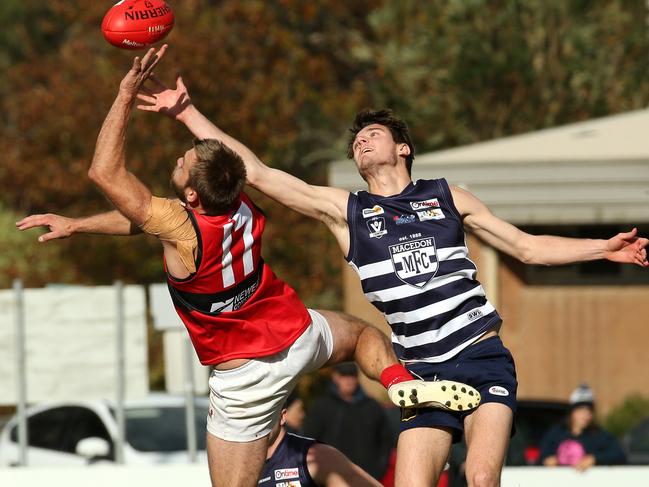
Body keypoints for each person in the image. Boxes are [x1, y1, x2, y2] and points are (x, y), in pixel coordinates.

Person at [115, 72, 648, 487]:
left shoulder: (448, 197)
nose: (363, 141)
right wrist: (188, 114)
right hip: (418, 372)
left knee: (481, 477)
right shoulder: (346, 213)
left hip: (480, 354)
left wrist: (602, 247)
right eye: (357, 140)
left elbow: (527, 247)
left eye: (375, 134)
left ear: (403, 149)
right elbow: (258, 174)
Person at [16, 48, 479, 487]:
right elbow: (149, 219)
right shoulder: (235, 199)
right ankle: (399, 382)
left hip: (244, 378)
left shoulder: (181, 225)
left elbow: (105, 173)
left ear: (192, 197)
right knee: (361, 335)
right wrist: (78, 224)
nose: (180, 159)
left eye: (184, 162)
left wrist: (122, 95)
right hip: (296, 334)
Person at [260, 398, 383, 487]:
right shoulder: (242, 462)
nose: (255, 424)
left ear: (282, 417)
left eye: (264, 415)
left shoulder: (314, 456)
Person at [303, 362, 396, 480]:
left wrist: (379, 470)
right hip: (332, 478)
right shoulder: (322, 407)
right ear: (335, 377)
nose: (349, 380)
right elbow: (310, 441)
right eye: (344, 375)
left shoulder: (372, 406)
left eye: (352, 375)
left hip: (368, 478)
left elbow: (386, 441)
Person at [539, 384, 626, 471]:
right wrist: (548, 460)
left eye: (589, 411)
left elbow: (619, 455)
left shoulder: (598, 435)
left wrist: (594, 459)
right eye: (581, 410)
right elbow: (542, 456)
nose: (585, 415)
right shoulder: (556, 434)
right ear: (572, 412)